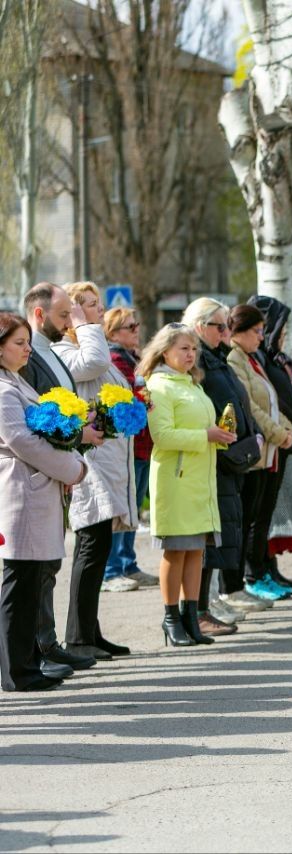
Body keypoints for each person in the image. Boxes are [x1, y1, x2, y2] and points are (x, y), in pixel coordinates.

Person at [0, 312, 88, 691]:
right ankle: (17, 672)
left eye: (27, 343)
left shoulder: (15, 382)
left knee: (33, 581)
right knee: (19, 582)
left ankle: (28, 662)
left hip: (36, 488)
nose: (26, 350)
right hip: (21, 491)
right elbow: (23, 442)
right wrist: (73, 466)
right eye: (19, 343)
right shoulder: (3, 390)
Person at [19, 283, 104, 676]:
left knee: (51, 559)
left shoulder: (50, 351)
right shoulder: (26, 357)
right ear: (39, 315)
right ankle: (40, 646)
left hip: (59, 468)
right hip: (37, 474)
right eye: (63, 315)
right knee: (38, 564)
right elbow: (37, 422)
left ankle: (47, 642)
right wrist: (74, 437)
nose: (69, 322)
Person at [54, 283, 139, 661]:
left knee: (100, 545)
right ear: (71, 312)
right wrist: (81, 323)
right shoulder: (66, 350)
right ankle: (77, 636)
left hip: (108, 457)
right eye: (88, 305)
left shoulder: (91, 344)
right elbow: (94, 365)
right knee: (90, 545)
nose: (98, 312)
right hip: (90, 460)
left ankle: (91, 631)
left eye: (99, 305)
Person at [141, 323, 233, 647]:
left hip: (199, 478)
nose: (191, 354)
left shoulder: (192, 384)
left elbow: (201, 427)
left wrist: (218, 436)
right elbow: (162, 436)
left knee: (196, 552)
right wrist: (205, 436)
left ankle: (191, 615)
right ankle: (170, 618)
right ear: (164, 351)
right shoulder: (158, 385)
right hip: (176, 479)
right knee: (176, 551)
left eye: (193, 349)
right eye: (183, 348)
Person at [183, 298, 261, 633]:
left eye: (227, 325)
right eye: (219, 326)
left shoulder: (215, 356)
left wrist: (252, 434)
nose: (226, 331)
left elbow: (238, 400)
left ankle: (208, 602)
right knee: (210, 537)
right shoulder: (197, 357)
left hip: (230, 455)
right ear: (200, 326)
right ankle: (201, 607)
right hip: (212, 457)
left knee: (221, 533)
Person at [226, 304, 292, 603]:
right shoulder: (234, 359)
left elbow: (271, 400)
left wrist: (288, 426)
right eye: (256, 331)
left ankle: (260, 573)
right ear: (238, 331)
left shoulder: (251, 358)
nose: (260, 336)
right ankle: (251, 576)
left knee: (262, 515)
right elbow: (250, 406)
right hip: (259, 448)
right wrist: (278, 433)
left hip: (270, 449)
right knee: (251, 518)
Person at [247, 295, 292, 585]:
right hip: (271, 440)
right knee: (260, 515)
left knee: (268, 514)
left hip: (285, 439)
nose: (280, 335)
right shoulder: (256, 357)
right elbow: (268, 400)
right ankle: (256, 572)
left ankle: (267, 568)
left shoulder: (272, 356)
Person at [102, 307, 159, 593]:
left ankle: (128, 563)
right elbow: (128, 399)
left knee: (134, 508)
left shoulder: (132, 358)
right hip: (129, 445)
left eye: (137, 325)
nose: (137, 330)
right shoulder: (114, 361)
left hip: (142, 444)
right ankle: (112, 569)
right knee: (122, 508)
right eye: (129, 327)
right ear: (111, 333)